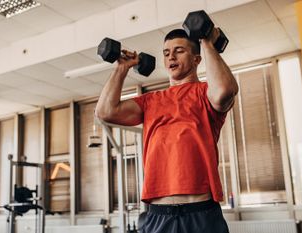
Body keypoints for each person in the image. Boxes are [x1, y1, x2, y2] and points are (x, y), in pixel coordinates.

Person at [95, 27, 238, 233]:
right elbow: (105, 111)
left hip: (200, 214)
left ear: (197, 59)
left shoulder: (205, 93)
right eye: (166, 52)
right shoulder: (151, 101)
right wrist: (122, 68)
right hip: (157, 216)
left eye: (179, 50)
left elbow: (226, 90)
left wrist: (206, 41)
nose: (171, 56)